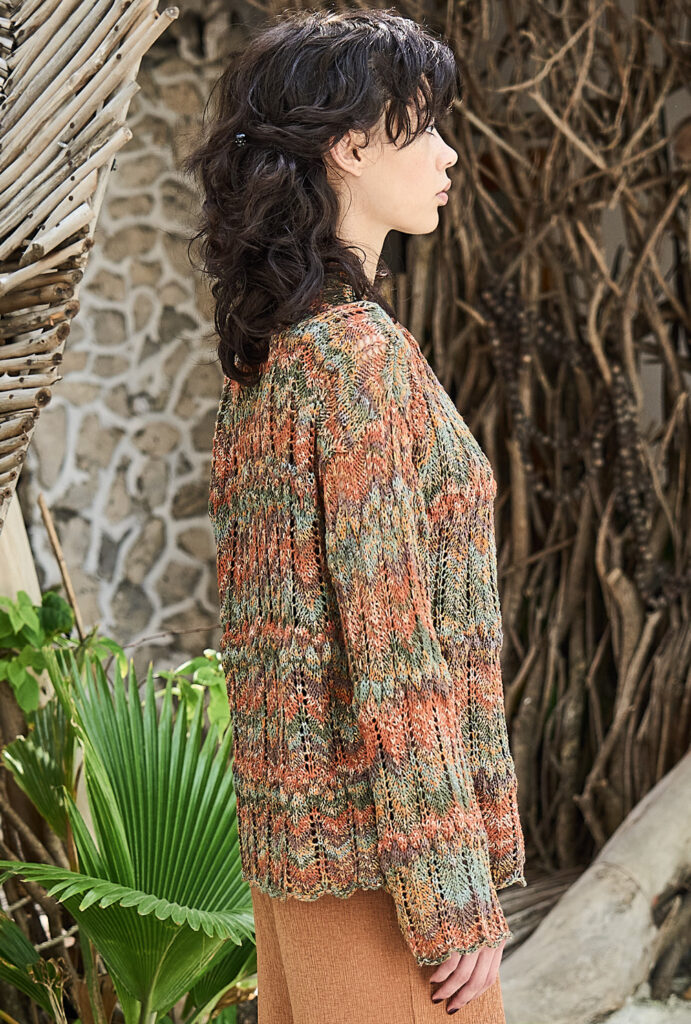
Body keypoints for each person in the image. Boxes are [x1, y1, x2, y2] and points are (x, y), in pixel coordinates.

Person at [183, 8, 527, 1022]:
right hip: (388, 881)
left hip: (299, 866)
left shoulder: (272, 361)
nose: (448, 153)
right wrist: (452, 893)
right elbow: (393, 651)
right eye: (423, 126)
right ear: (349, 146)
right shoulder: (357, 361)